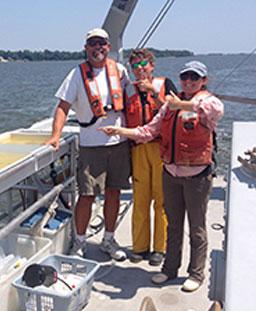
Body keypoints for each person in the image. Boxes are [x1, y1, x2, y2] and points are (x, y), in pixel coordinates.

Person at [99, 61, 224, 291]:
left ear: (203, 81)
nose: (188, 82)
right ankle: (169, 269)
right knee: (173, 225)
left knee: (196, 227)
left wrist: (181, 103)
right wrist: (120, 131)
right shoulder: (168, 108)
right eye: (185, 77)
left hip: (197, 176)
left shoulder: (206, 102)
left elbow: (216, 110)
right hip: (171, 173)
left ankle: (196, 274)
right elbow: (148, 131)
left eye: (194, 78)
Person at [46, 28, 131, 260]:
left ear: (108, 47)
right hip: (91, 146)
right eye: (92, 44)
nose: (98, 48)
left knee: (114, 193)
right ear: (86, 49)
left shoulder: (120, 71)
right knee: (86, 195)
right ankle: (80, 242)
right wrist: (55, 136)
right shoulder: (76, 74)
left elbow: (133, 102)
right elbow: (63, 107)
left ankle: (108, 240)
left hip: (119, 144)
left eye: (102, 43)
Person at [124, 49, 177, 266]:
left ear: (152, 65)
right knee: (141, 199)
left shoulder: (165, 85)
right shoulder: (127, 90)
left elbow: (175, 109)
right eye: (135, 66)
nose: (140, 69)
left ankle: (160, 248)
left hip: (160, 149)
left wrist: (154, 94)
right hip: (138, 149)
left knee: (162, 199)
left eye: (143, 64)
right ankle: (140, 246)